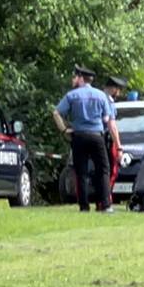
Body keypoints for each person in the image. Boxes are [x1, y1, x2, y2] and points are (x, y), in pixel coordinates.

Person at [53, 65, 114, 213]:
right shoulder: (101, 95)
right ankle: (105, 204)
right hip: (96, 136)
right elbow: (107, 118)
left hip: (79, 136)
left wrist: (64, 130)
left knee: (81, 172)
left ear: (81, 78)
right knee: (103, 170)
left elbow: (56, 113)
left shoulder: (72, 96)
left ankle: (84, 206)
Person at [102, 76, 126, 207]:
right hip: (106, 140)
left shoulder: (100, 98)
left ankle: (104, 199)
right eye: (119, 90)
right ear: (114, 89)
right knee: (111, 170)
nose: (119, 93)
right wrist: (119, 146)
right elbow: (112, 126)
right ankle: (105, 199)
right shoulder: (108, 102)